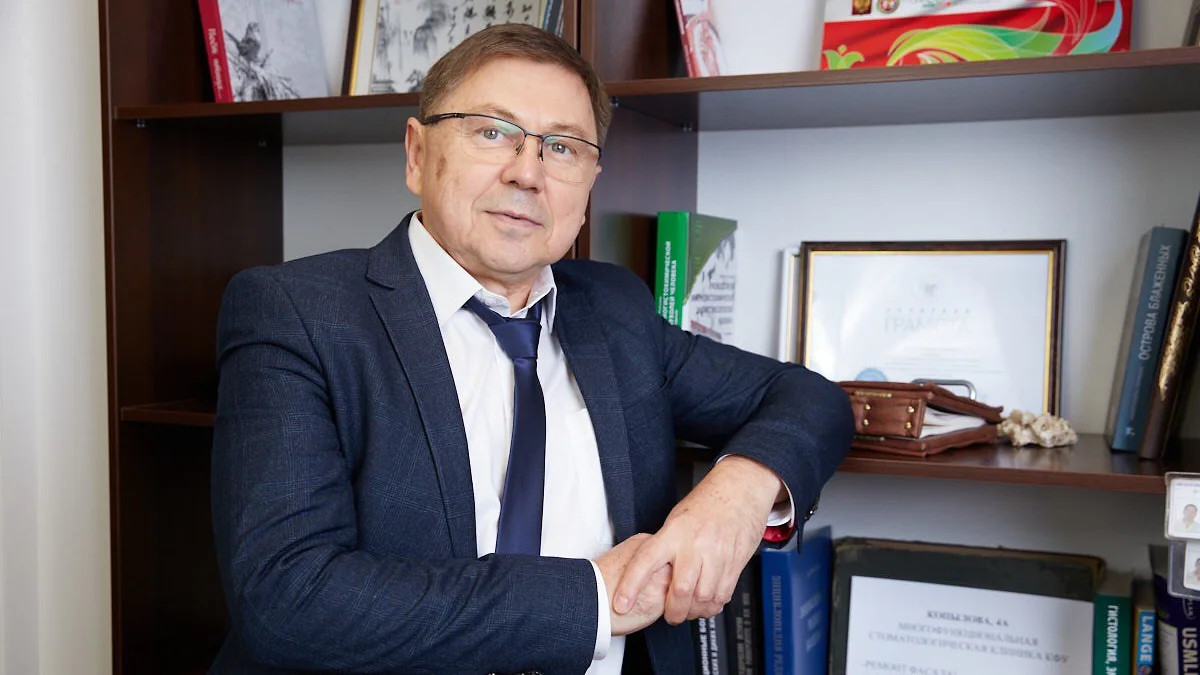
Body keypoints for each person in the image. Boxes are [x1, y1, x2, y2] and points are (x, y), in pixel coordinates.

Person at [209, 23, 853, 675]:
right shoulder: (296, 313)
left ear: (590, 184)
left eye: (563, 147)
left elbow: (810, 398)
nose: (527, 173)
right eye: (492, 132)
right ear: (417, 154)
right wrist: (593, 599)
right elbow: (288, 600)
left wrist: (738, 495)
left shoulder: (614, 310)